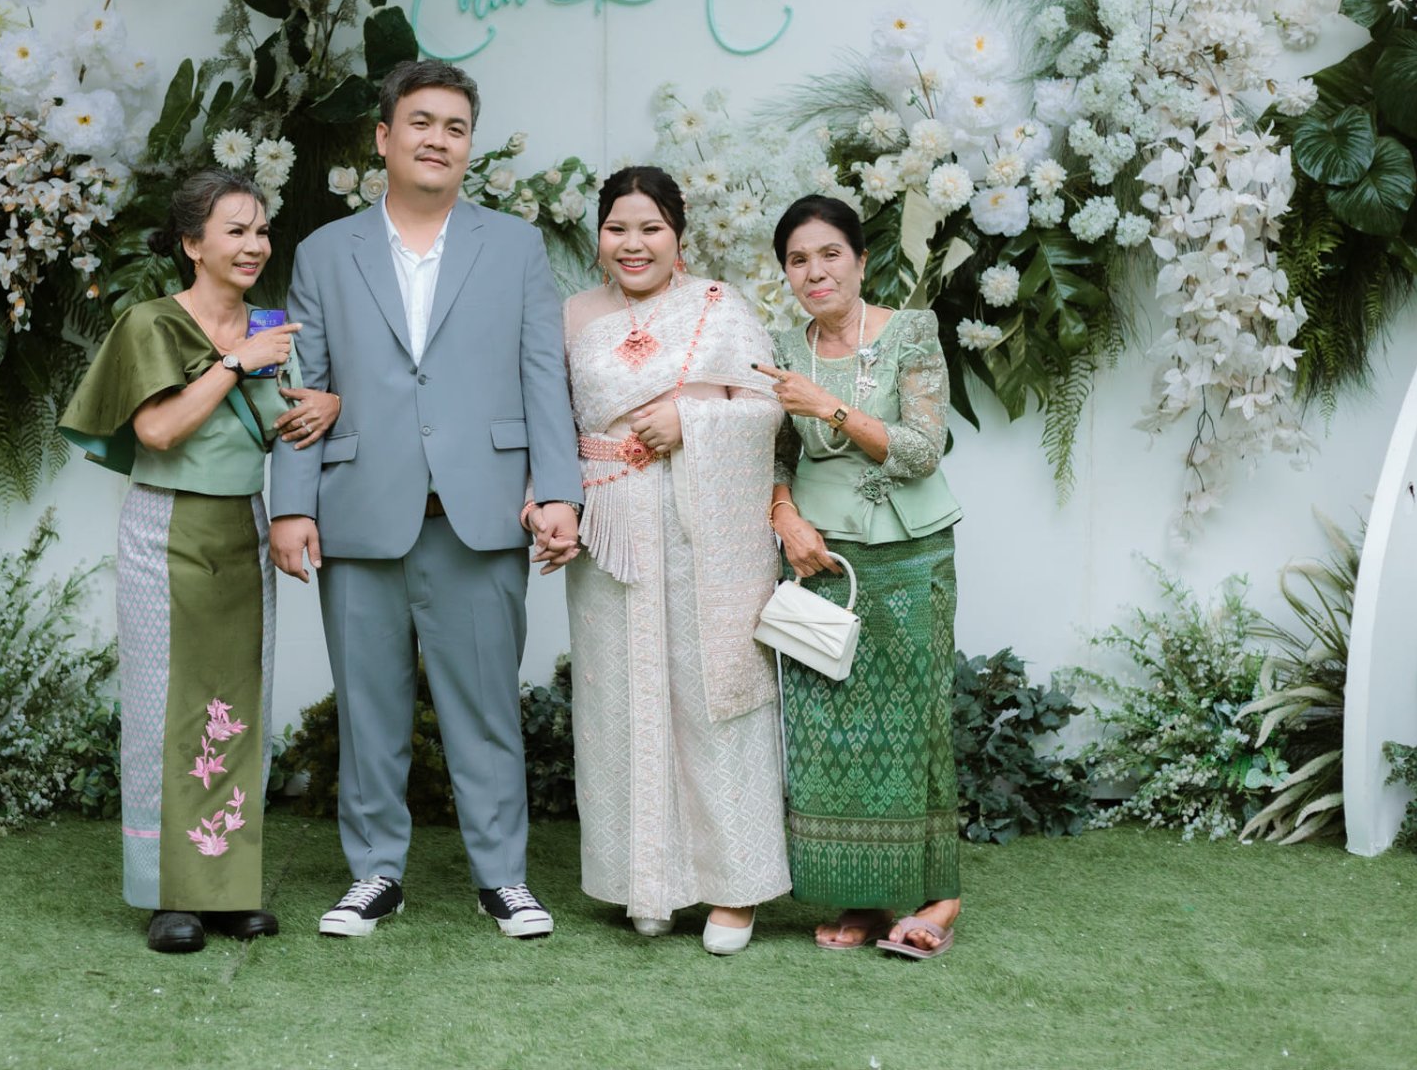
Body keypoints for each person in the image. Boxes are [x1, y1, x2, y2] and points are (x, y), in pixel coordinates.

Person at [269, 59, 584, 940]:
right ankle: (375, 872)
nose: (437, 139)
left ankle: (502, 877)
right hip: (359, 509)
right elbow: (303, 386)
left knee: (485, 709)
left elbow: (543, 377)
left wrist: (561, 491)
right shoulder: (325, 252)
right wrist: (291, 505)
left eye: (454, 127)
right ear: (383, 137)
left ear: (469, 145)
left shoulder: (514, 246)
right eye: (420, 122)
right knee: (368, 709)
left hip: (480, 513)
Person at [58, 170, 340, 954]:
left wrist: (329, 403)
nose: (254, 245)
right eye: (235, 231)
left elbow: (291, 420)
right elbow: (157, 430)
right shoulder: (152, 323)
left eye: (261, 230)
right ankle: (167, 894)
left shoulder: (274, 327)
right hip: (166, 525)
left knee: (237, 701)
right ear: (192, 243)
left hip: (243, 525)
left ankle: (227, 889)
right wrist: (235, 362)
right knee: (163, 708)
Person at [562, 167, 790, 956]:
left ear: (678, 236)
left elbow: (767, 405)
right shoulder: (573, 314)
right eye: (617, 228)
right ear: (598, 235)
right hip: (611, 529)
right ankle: (646, 881)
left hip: (704, 531)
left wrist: (689, 417)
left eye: (650, 228)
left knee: (709, 694)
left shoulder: (719, 307)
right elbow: (548, 416)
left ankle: (735, 887)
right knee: (618, 700)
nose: (634, 244)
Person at [755, 194, 966, 959]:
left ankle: (938, 892)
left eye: (829, 254)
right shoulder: (783, 346)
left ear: (861, 260)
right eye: (798, 260)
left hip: (908, 554)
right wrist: (783, 512)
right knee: (833, 730)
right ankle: (866, 895)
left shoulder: (911, 331)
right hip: (819, 557)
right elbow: (775, 450)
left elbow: (922, 448)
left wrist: (829, 406)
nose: (815, 272)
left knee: (914, 720)